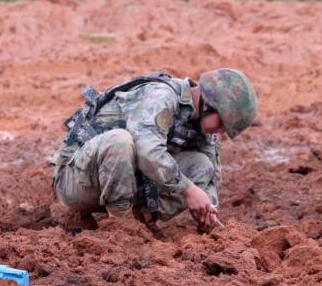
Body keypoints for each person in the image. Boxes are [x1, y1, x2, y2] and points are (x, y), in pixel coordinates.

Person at [51, 68, 257, 233]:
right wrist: (188, 189)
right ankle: (121, 228)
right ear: (209, 104)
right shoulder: (162, 96)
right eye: (222, 124)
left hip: (122, 181)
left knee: (202, 165)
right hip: (76, 180)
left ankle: (142, 219)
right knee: (120, 141)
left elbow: (212, 175)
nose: (220, 132)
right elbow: (147, 151)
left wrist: (209, 213)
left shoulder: (201, 123)